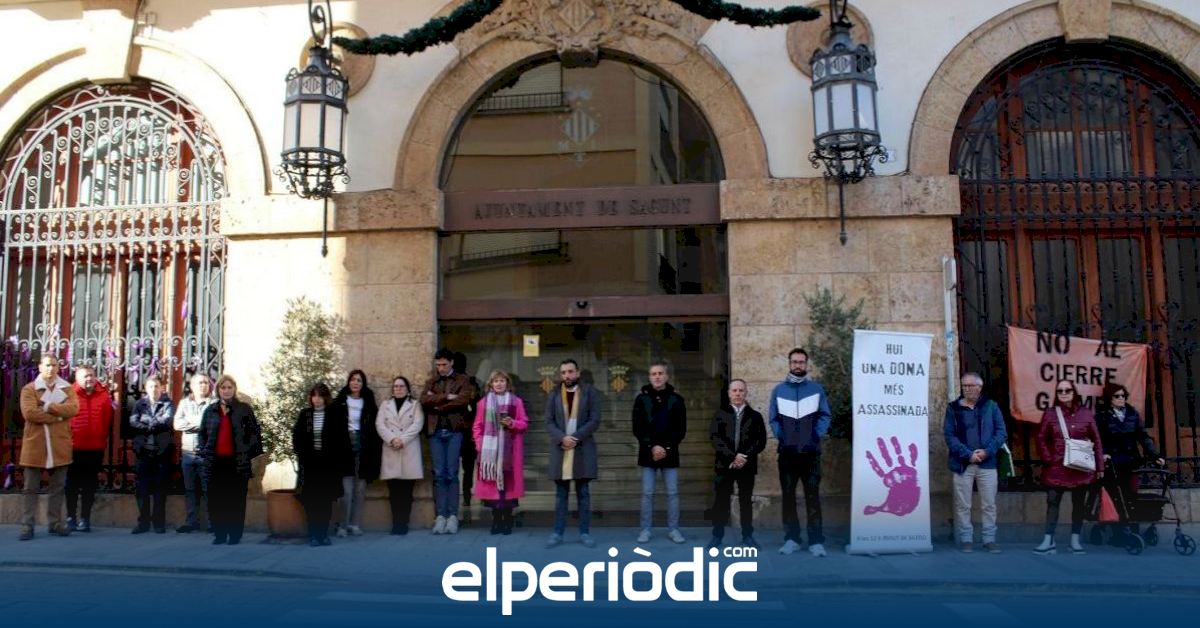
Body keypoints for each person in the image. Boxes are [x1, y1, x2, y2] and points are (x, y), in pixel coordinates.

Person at [769, 348, 832, 557]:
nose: (798, 365)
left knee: (813, 496)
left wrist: (815, 435)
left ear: (806, 364)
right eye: (795, 362)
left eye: (801, 362)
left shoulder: (816, 389)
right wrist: (783, 436)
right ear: (789, 364)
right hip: (787, 453)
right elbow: (773, 418)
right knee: (788, 496)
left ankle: (816, 541)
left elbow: (825, 415)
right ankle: (792, 539)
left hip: (811, 453)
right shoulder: (779, 390)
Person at [1034, 379, 1104, 555]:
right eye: (1060, 391)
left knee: (1078, 503)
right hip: (1056, 466)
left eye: (1067, 390)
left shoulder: (1085, 413)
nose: (1064, 394)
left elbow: (1096, 440)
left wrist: (1100, 467)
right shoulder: (1051, 413)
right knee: (1052, 502)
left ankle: (1075, 540)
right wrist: (1048, 458)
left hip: (1079, 466)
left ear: (1074, 392)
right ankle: (1048, 540)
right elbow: (1041, 437)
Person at [943, 372, 1007, 553]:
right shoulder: (953, 408)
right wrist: (968, 454)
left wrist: (987, 452)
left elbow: (1001, 433)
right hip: (962, 464)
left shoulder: (991, 406)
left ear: (980, 387)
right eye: (964, 385)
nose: (967, 389)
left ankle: (989, 539)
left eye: (970, 385)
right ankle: (966, 539)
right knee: (963, 505)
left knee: (989, 504)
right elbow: (949, 435)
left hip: (988, 463)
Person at [18, 353, 79, 540]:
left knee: (58, 488)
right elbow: (30, 413)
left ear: (58, 367)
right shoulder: (29, 389)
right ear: (40, 367)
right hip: (35, 445)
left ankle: (55, 523)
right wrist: (59, 417)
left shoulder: (67, 388)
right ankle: (27, 525)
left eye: (53, 365)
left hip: (59, 444)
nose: (50, 368)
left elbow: (73, 409)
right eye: (47, 365)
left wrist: (47, 406)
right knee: (30, 488)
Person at [198, 374, 263, 545]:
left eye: (229, 387)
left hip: (237, 463)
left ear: (234, 389)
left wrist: (246, 453)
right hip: (215, 463)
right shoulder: (210, 410)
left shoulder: (243, 409)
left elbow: (254, 434)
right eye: (223, 387)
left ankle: (234, 535)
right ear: (218, 390)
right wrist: (204, 451)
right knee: (217, 499)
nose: (226, 391)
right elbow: (202, 434)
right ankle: (220, 534)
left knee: (235, 500)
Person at [545, 359, 602, 548]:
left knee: (583, 494)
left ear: (577, 373)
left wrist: (575, 438)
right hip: (560, 449)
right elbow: (548, 421)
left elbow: (594, 420)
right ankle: (557, 533)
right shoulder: (554, 394)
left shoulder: (590, 392)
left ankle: (585, 533)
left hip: (582, 448)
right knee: (560, 495)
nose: (567, 375)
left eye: (570, 371)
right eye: (563, 372)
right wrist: (562, 438)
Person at [1097, 383, 1163, 545]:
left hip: (1131, 461)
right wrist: (1103, 453)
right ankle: (1118, 534)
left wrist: (1154, 455)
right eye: (1117, 396)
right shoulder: (1102, 416)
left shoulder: (1132, 414)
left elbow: (1143, 436)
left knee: (1131, 496)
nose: (1121, 399)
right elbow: (1098, 439)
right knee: (1116, 497)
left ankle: (1134, 530)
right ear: (1110, 398)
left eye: (1123, 396)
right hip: (1112, 463)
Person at [633, 362, 688, 544]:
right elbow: (638, 427)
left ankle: (674, 529)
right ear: (649, 377)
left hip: (670, 453)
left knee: (672, 493)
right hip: (648, 453)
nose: (657, 376)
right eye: (653, 374)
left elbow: (680, 429)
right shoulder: (641, 399)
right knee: (647, 493)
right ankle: (645, 530)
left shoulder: (677, 399)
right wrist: (652, 447)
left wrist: (666, 447)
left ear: (666, 376)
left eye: (660, 373)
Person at [708, 379, 766, 550]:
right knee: (721, 501)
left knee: (746, 502)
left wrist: (744, 456)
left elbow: (760, 441)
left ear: (745, 393)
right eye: (734, 391)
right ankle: (717, 536)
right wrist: (732, 457)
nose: (738, 394)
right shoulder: (720, 414)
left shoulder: (755, 416)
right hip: (724, 466)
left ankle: (747, 536)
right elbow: (715, 439)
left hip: (747, 465)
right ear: (729, 393)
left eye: (741, 390)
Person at [421, 349, 474, 535]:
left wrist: (437, 405)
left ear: (451, 363)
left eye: (444, 364)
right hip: (435, 432)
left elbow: (463, 400)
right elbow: (423, 400)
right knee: (439, 474)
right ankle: (441, 516)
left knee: (452, 473)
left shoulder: (462, 380)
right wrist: (446, 397)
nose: (441, 368)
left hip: (454, 431)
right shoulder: (431, 381)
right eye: (438, 365)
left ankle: (452, 516)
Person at [293, 382, 352, 546]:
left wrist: (339, 463)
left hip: (328, 465)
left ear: (326, 398)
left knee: (325, 500)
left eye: (320, 396)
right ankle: (313, 534)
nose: (317, 399)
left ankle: (323, 534)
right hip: (310, 465)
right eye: (314, 395)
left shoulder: (335, 414)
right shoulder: (305, 414)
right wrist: (303, 455)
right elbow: (297, 438)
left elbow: (342, 440)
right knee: (311, 500)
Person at [472, 369, 529, 535]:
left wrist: (513, 423)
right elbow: (477, 426)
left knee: (508, 489)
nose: (499, 384)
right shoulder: (483, 403)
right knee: (493, 489)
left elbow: (524, 423)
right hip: (490, 452)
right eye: (495, 381)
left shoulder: (516, 402)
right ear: (491, 384)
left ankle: (508, 520)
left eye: (502, 381)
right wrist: (480, 444)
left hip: (510, 451)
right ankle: (496, 520)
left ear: (507, 384)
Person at [331, 369, 381, 537]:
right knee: (346, 491)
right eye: (353, 379)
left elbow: (373, 427)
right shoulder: (340, 401)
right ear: (348, 382)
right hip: (344, 446)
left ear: (363, 384)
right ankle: (342, 525)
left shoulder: (368, 402)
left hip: (363, 447)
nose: (355, 383)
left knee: (360, 489)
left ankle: (355, 524)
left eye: (359, 380)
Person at [66, 365, 113, 533]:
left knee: (89, 484)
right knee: (71, 484)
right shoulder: (68, 394)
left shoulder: (103, 395)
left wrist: (101, 439)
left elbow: (107, 420)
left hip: (94, 448)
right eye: (85, 376)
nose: (89, 379)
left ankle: (85, 518)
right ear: (77, 378)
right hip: (73, 447)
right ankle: (71, 517)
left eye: (92, 375)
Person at [377, 375, 425, 535]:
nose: (398, 389)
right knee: (394, 491)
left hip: (408, 449)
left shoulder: (415, 405)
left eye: (401, 386)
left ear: (407, 389)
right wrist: (392, 439)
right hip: (391, 448)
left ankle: (404, 523)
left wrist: (402, 440)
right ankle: (395, 523)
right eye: (396, 386)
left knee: (406, 491)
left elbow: (418, 424)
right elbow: (379, 424)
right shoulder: (385, 405)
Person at [129, 375, 175, 534]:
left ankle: (158, 523)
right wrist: (153, 423)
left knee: (160, 489)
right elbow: (133, 421)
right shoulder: (139, 404)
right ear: (146, 388)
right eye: (150, 386)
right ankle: (143, 523)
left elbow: (167, 420)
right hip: (143, 452)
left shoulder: (168, 403)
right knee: (142, 489)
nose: (154, 389)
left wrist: (147, 422)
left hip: (161, 453)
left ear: (162, 388)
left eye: (156, 386)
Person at [174, 372, 215, 533]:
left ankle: (212, 523)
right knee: (190, 490)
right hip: (188, 453)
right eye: (200, 383)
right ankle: (191, 522)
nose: (203, 385)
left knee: (208, 489)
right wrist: (200, 424)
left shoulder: (214, 403)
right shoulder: (184, 403)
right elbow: (177, 424)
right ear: (192, 386)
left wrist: (190, 422)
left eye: (206, 382)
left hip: (206, 454)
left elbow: (213, 425)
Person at [455, 352, 481, 521]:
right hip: (468, 430)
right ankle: (466, 496)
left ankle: (465, 497)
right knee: (468, 468)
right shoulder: (471, 382)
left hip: (463, 429)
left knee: (459, 467)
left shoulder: (464, 382)